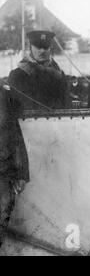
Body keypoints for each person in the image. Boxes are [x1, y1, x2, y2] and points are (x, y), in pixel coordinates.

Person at [8, 30, 68, 111]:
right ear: (30, 48)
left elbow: (66, 105)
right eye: (38, 47)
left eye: (46, 47)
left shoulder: (59, 75)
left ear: (50, 48)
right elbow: (11, 108)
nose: (42, 51)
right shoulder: (18, 75)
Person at [0, 85, 29, 249]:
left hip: (3, 172)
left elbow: (14, 133)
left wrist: (21, 172)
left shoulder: (3, 95)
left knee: (4, 210)